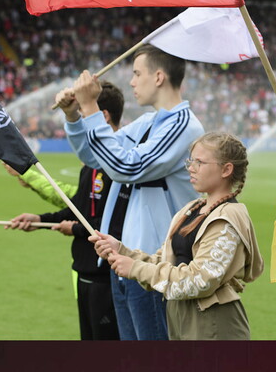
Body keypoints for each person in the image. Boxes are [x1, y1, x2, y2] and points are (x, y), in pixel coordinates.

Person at [57, 44, 204, 340]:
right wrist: (74, 116)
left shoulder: (183, 125)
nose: (133, 82)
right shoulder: (148, 122)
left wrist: (91, 108)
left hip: (156, 264)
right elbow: (94, 156)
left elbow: (128, 167)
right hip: (125, 258)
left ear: (159, 77)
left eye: (137, 74)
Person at [90, 131, 264, 340]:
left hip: (215, 326)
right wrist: (122, 251)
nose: (191, 168)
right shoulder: (192, 208)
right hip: (181, 318)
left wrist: (135, 268)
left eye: (199, 162)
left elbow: (200, 280)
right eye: (190, 161)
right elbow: (163, 261)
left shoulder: (228, 218)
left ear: (226, 169)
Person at [5, 80, 125, 340]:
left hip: (106, 276)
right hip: (85, 272)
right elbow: (78, 207)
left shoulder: (120, 165)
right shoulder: (91, 164)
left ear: (101, 116)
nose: (78, 124)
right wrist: (39, 220)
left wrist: (76, 229)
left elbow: (114, 224)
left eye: (81, 115)